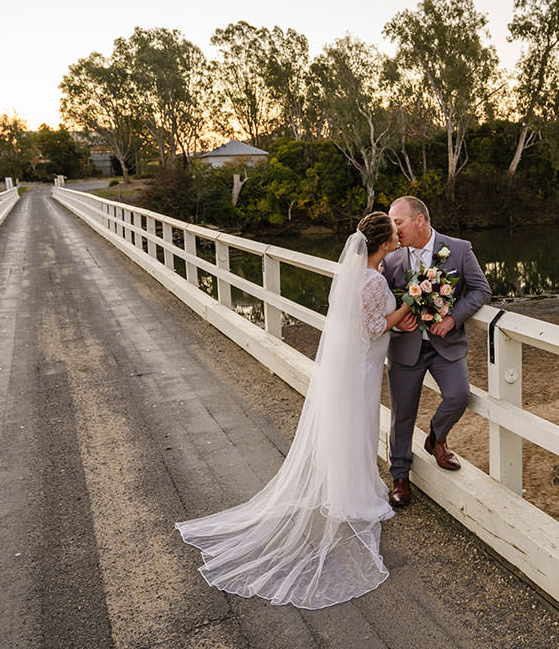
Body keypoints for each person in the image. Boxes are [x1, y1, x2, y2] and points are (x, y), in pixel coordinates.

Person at [176, 212, 411, 609]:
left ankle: (353, 485)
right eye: (395, 235)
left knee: (354, 427)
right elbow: (373, 327)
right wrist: (409, 304)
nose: (398, 237)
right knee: (359, 426)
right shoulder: (371, 280)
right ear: (384, 245)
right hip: (363, 366)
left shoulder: (357, 273)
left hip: (359, 363)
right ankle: (355, 496)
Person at [382, 196, 491, 508]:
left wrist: (454, 318)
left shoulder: (458, 249)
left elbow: (481, 290)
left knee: (459, 395)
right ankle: (400, 475)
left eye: (398, 222)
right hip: (405, 346)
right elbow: (383, 302)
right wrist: (397, 324)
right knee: (402, 415)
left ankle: (436, 439)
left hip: (446, 344)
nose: (394, 229)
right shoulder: (391, 257)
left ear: (420, 220)